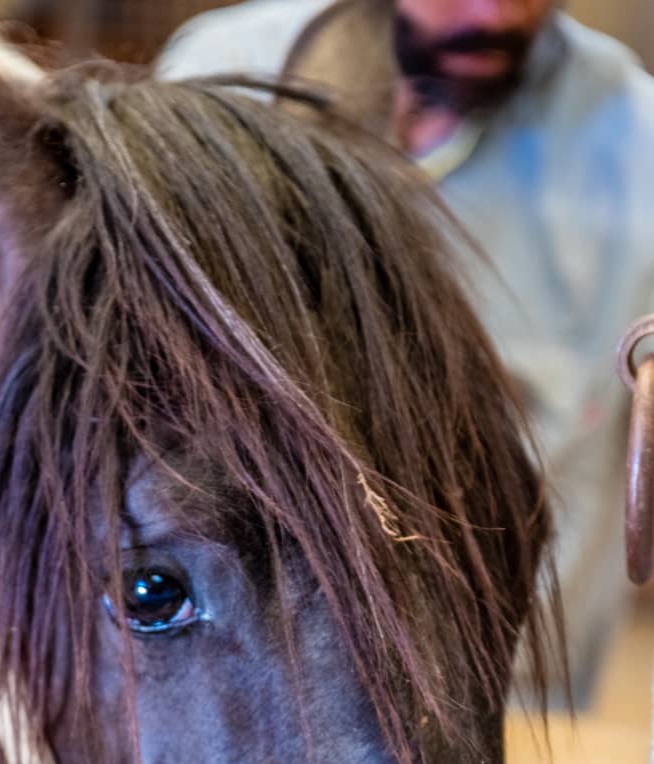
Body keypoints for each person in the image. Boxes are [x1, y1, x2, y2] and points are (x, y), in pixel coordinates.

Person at [160, 0, 654, 701]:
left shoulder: (633, 142)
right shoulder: (221, 84)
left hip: (519, 714)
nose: (494, 13)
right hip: (246, 691)